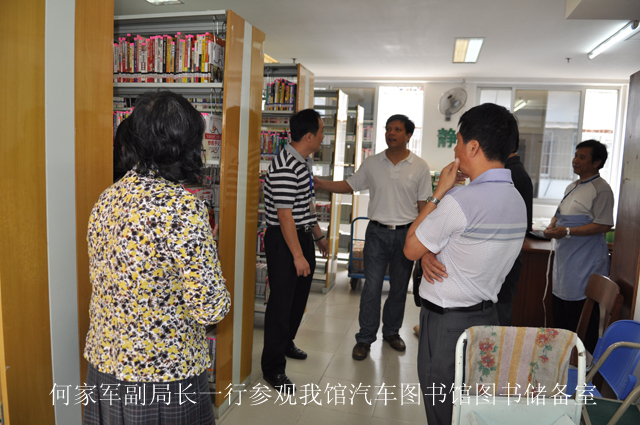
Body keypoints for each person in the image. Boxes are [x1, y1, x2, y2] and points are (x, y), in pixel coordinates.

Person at [83, 91, 231, 425]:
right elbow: (210, 308)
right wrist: (207, 250)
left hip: (106, 364)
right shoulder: (183, 209)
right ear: (186, 144)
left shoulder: (107, 198)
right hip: (163, 372)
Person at [404, 103, 527, 425]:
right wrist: (430, 252)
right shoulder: (516, 199)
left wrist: (439, 193)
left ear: (473, 147)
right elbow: (465, 248)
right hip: (487, 318)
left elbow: (411, 248)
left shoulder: (460, 200)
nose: (455, 149)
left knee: (442, 411)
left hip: (447, 324)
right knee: (470, 409)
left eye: (458, 142)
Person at [314, 114, 431, 360]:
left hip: (406, 234)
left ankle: (391, 332)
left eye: (397, 129)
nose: (391, 133)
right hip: (377, 233)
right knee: (371, 289)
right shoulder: (372, 163)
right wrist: (320, 184)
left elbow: (424, 206)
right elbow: (349, 185)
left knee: (399, 288)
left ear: (409, 135)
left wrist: (425, 242)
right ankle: (365, 338)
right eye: (388, 129)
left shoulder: (420, 166)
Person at [261, 109, 330, 393]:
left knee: (297, 299)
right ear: (309, 136)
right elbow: (285, 215)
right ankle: (273, 368)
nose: (324, 137)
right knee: (281, 303)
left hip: (301, 236)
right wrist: (298, 256)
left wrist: (318, 236)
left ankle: (286, 342)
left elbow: (304, 207)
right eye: (322, 131)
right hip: (284, 240)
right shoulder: (286, 166)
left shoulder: (303, 162)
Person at [543, 139, 614, 352]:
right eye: (575, 155)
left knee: (582, 319)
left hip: (585, 264)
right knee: (561, 316)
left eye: (582, 157)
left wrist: (566, 231)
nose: (575, 160)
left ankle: (585, 364)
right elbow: (558, 214)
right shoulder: (572, 187)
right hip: (566, 263)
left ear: (597, 162)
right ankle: (563, 361)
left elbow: (603, 224)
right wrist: (551, 226)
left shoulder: (601, 189)